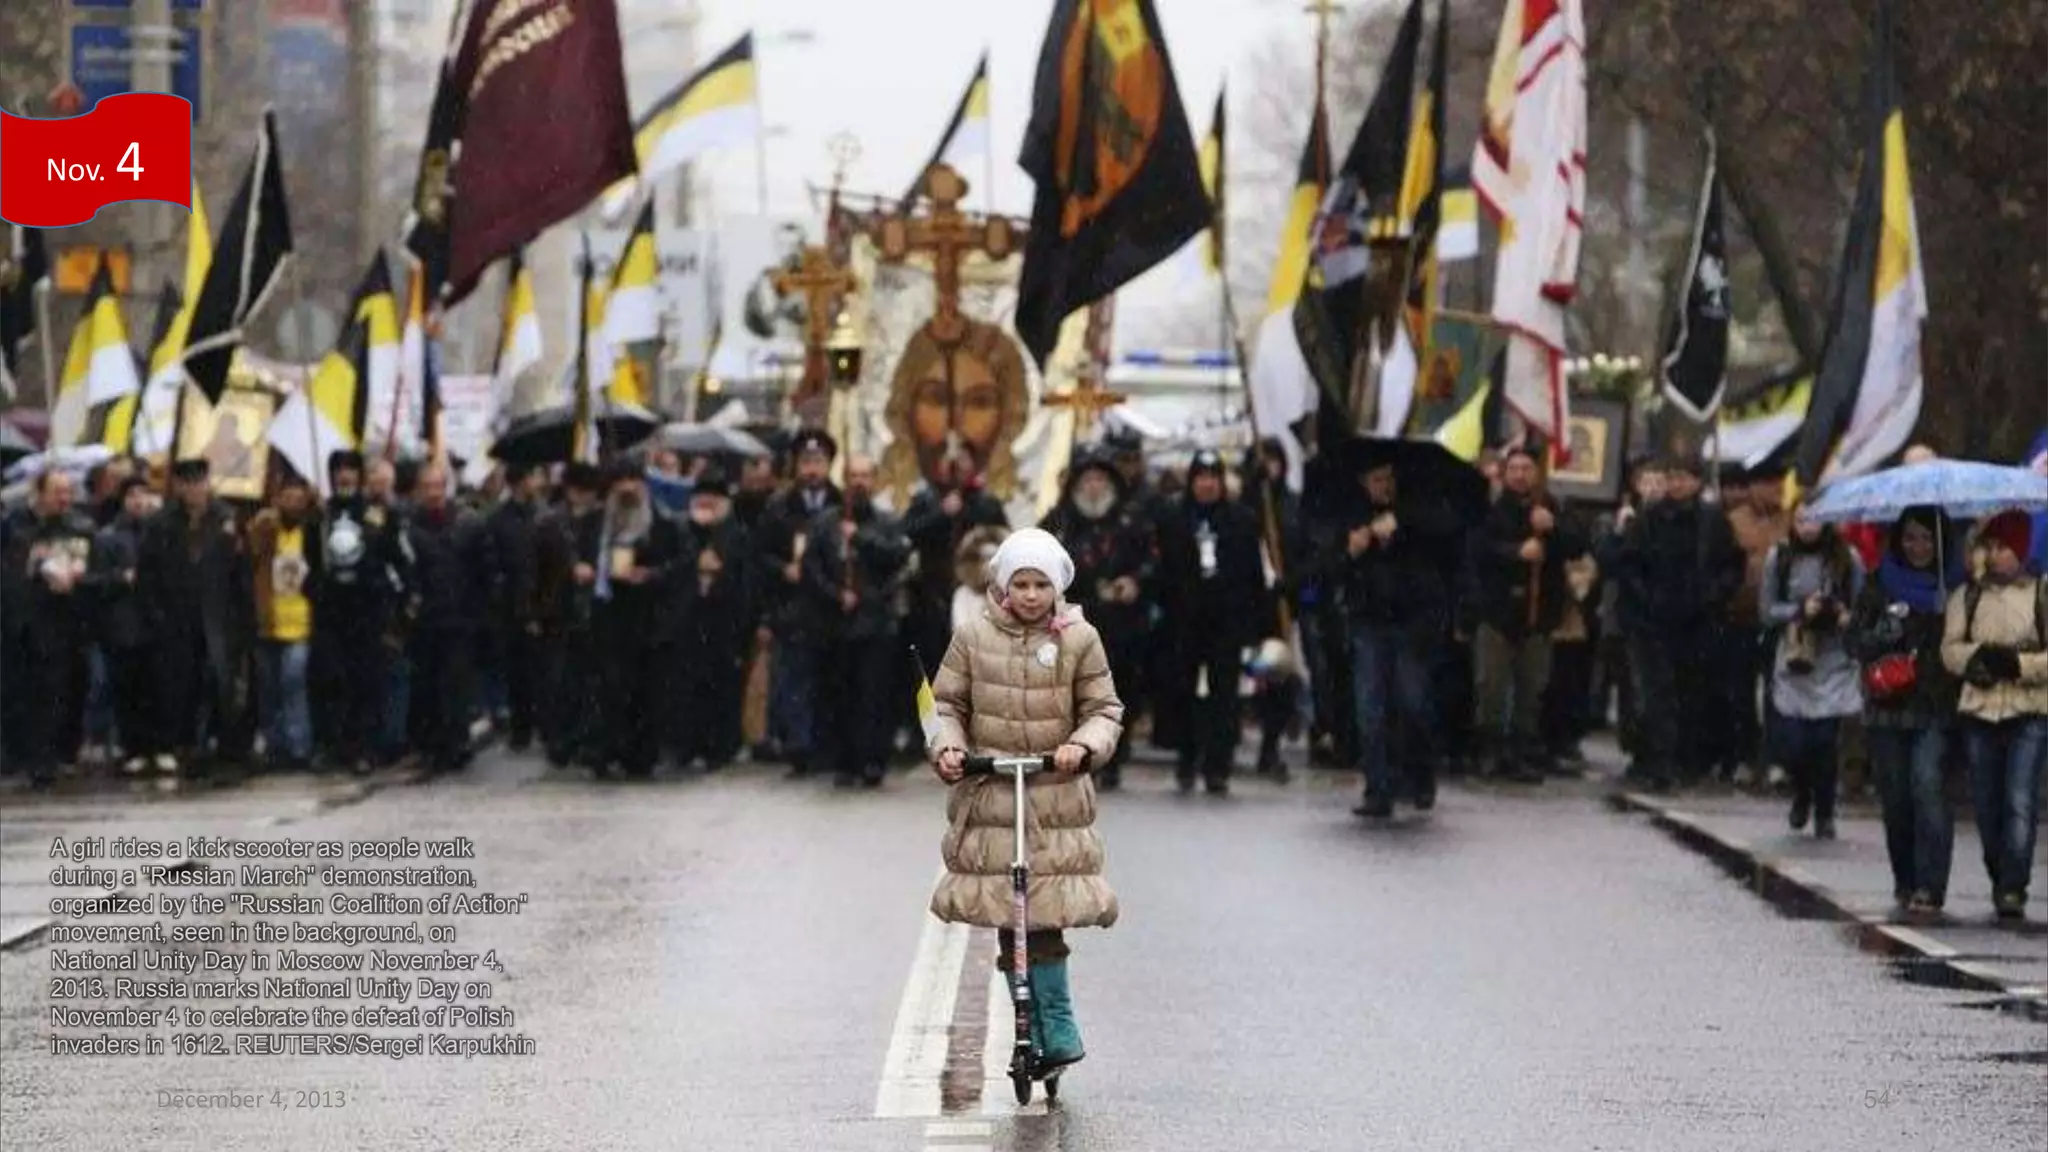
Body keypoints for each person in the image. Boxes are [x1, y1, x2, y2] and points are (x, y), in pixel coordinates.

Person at [927, 527, 1123, 1072]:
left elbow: (1103, 709)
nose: (1032, 595)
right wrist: (949, 749)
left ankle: (1056, 1021)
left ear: (1057, 587)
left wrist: (1081, 745)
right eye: (1021, 584)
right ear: (1002, 586)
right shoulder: (972, 637)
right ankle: (1025, 1021)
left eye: (1041, 584)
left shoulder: (1079, 639)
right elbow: (947, 705)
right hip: (993, 795)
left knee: (1046, 912)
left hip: (1051, 798)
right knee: (1008, 912)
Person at [1329, 454, 1457, 816]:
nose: (1382, 487)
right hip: (1369, 621)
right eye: (1375, 480)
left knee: (1412, 701)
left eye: (1387, 479)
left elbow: (1443, 535)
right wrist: (1350, 553)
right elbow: (1327, 568)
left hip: (1412, 621)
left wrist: (1401, 525)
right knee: (1370, 707)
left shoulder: (1419, 508)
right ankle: (1377, 787)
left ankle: (1419, 772)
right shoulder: (1350, 515)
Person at [1848, 506, 1962, 916]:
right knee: (1896, 798)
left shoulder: (1957, 586)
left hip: (1935, 706)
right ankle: (1906, 878)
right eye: (1911, 538)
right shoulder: (1880, 583)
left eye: (1928, 539)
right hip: (1887, 709)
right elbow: (1854, 643)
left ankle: (1930, 886)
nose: (1919, 547)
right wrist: (1883, 634)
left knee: (1928, 787)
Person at [1609, 456, 1745, 790]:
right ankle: (1660, 761)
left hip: (1699, 621)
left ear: (1697, 482)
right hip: (1654, 622)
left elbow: (1731, 565)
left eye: (1683, 478)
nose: (1677, 484)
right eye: (1672, 478)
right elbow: (1630, 565)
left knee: (1693, 693)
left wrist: (1713, 595)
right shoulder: (1649, 519)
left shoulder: (1712, 521)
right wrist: (1648, 599)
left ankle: (1690, 761)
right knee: (1658, 695)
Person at [1941, 510, 2046, 920]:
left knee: (2019, 798)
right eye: (1992, 546)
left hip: (2029, 710)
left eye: (2004, 547)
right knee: (1986, 802)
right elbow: (1950, 649)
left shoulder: (2040, 593)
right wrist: (1977, 659)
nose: (1996, 555)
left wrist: (2021, 666)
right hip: (1980, 711)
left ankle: (2013, 886)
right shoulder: (1967, 596)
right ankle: (1998, 869)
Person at [1466, 446, 1586, 782]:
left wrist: (1552, 529)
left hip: (1538, 615)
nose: (1520, 475)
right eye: (1514, 468)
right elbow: (1478, 550)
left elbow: (1577, 545)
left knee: (1531, 687)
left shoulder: (1552, 508)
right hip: (1497, 612)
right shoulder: (1489, 510)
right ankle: (1489, 749)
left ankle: (1521, 750)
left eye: (1526, 468)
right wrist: (1515, 552)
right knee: (1491, 685)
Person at [1039, 448, 1152, 790]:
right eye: (1087, 480)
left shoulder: (1130, 523)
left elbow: (1153, 561)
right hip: (1071, 620)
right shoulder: (1057, 523)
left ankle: (1113, 755)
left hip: (1120, 623)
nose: (1093, 487)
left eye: (1100, 480)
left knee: (1117, 690)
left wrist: (1135, 581)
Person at [1159, 451, 1268, 794]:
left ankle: (1218, 764)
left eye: (1213, 477)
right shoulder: (1174, 518)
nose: (1207, 485)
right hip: (1185, 621)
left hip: (1226, 622)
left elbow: (1253, 574)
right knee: (1184, 691)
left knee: (1224, 695)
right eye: (1200, 477)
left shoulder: (1242, 520)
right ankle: (1186, 758)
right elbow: (1164, 570)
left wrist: (1254, 621)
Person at [801, 454, 911, 787]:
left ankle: (873, 760)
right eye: (853, 476)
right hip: (837, 624)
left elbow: (897, 558)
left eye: (865, 475)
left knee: (874, 696)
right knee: (841, 694)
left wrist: (860, 538)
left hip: (876, 623)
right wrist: (836, 594)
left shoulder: (886, 521)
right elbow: (812, 568)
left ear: (874, 480)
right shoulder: (824, 522)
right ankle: (844, 761)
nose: (859, 482)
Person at [140, 458, 253, 779]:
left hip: (217, 616)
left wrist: (244, 619)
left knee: (218, 681)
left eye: (199, 482)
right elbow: (148, 577)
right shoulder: (161, 523)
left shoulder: (226, 519)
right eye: (187, 484)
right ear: (177, 486)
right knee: (178, 684)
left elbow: (240, 575)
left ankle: (221, 744)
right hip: (176, 617)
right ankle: (181, 743)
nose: (194, 490)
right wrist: (155, 616)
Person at [1760, 506, 1865, 838]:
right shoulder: (1780, 557)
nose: (1808, 527)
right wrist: (1798, 610)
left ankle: (1824, 808)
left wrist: (1843, 614)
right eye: (1802, 519)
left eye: (1815, 519)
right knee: (1796, 740)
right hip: (1796, 655)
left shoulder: (1848, 558)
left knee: (1824, 740)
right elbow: (1767, 610)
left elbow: (1862, 607)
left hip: (1833, 659)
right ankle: (1801, 790)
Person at [313, 450, 408, 774]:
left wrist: (398, 606)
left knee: (367, 682)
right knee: (333, 682)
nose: (344, 476)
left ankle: (367, 748)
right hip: (331, 615)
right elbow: (308, 564)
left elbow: (400, 559)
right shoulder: (320, 517)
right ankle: (338, 745)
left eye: (350, 470)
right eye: (338, 470)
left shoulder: (376, 515)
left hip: (368, 612)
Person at [3, 471, 97, 785]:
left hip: (59, 623)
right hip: (17, 621)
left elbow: (91, 565)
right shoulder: (14, 524)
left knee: (53, 693)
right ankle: (17, 755)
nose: (64, 499)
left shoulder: (78, 526)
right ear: (39, 492)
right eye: (57, 492)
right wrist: (32, 560)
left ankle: (46, 758)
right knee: (16, 692)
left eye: (68, 492)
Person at [589, 463, 681, 778]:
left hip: (648, 619)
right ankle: (606, 751)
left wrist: (652, 574)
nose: (627, 489)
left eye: (633, 481)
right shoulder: (599, 522)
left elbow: (680, 565)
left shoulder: (664, 523)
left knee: (645, 691)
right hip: (608, 617)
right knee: (609, 689)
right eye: (621, 481)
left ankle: (641, 756)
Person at [670, 468, 754, 771]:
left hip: (723, 624)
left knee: (723, 687)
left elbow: (746, 583)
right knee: (686, 686)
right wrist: (694, 567)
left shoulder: (738, 534)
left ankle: (721, 747)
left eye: (713, 498)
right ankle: (686, 745)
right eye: (701, 496)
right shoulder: (681, 532)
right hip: (688, 622)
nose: (706, 502)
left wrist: (720, 574)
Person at [247, 475, 321, 774]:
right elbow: (251, 554)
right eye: (286, 497)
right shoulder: (267, 530)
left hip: (300, 620)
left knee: (293, 681)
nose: (292, 503)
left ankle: (299, 744)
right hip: (269, 619)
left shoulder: (312, 530)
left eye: (298, 498)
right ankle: (274, 743)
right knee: (269, 686)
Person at [93, 476, 160, 774]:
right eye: (132, 494)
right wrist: (122, 578)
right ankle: (133, 747)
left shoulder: (159, 532)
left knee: (156, 689)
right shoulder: (107, 537)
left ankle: (158, 746)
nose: (139, 501)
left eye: (144, 494)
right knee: (128, 689)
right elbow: (94, 581)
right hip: (124, 625)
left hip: (156, 623)